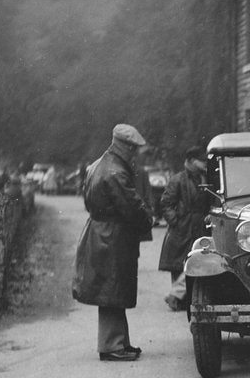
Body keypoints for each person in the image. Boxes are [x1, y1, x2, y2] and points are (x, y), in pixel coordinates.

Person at [72, 124, 153, 362]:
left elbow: (89, 201)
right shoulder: (116, 171)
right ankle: (111, 345)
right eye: (133, 148)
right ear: (125, 146)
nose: (135, 153)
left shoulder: (98, 165)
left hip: (101, 232)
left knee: (111, 288)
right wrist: (147, 218)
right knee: (112, 289)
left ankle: (119, 341)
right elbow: (130, 205)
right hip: (113, 235)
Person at [158, 146, 210, 311]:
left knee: (197, 261)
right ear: (191, 161)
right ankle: (179, 299)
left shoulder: (207, 178)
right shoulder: (178, 179)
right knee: (179, 264)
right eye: (201, 160)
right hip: (183, 227)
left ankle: (180, 297)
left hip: (200, 226)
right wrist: (175, 221)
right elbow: (166, 203)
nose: (204, 163)